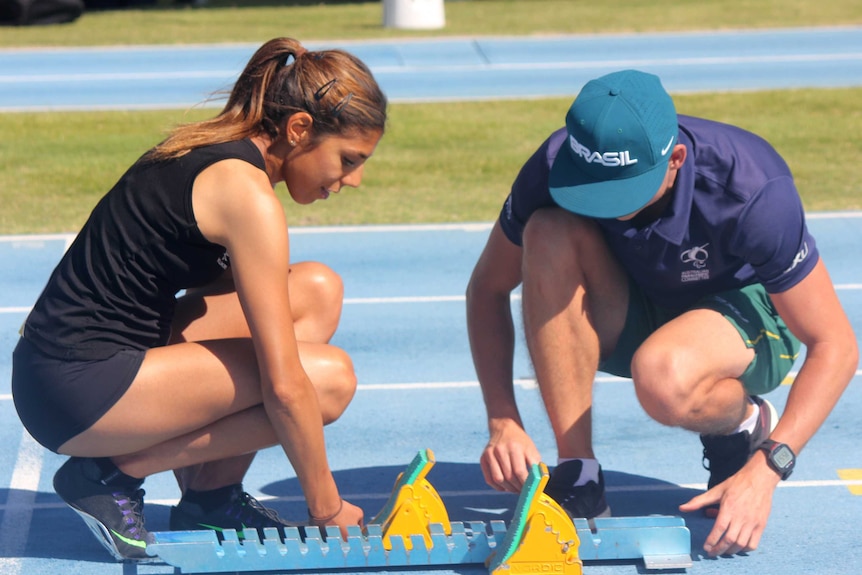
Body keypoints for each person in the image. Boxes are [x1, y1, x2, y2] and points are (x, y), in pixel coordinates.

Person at [11, 37, 387, 561]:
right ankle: (110, 475)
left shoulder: (223, 157)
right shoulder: (245, 195)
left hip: (64, 369)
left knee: (315, 289)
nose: (355, 179)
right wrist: (326, 508)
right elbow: (284, 387)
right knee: (327, 382)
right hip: (73, 388)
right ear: (299, 129)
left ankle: (210, 499)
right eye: (349, 159)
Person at [465, 69, 857, 557]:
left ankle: (742, 424)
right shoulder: (553, 165)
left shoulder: (751, 185)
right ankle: (579, 473)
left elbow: (835, 345)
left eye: (621, 193)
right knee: (546, 232)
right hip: (640, 300)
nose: (606, 207)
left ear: (675, 160)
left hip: (749, 314)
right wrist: (503, 418)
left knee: (662, 375)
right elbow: (487, 288)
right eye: (592, 189)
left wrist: (768, 467)